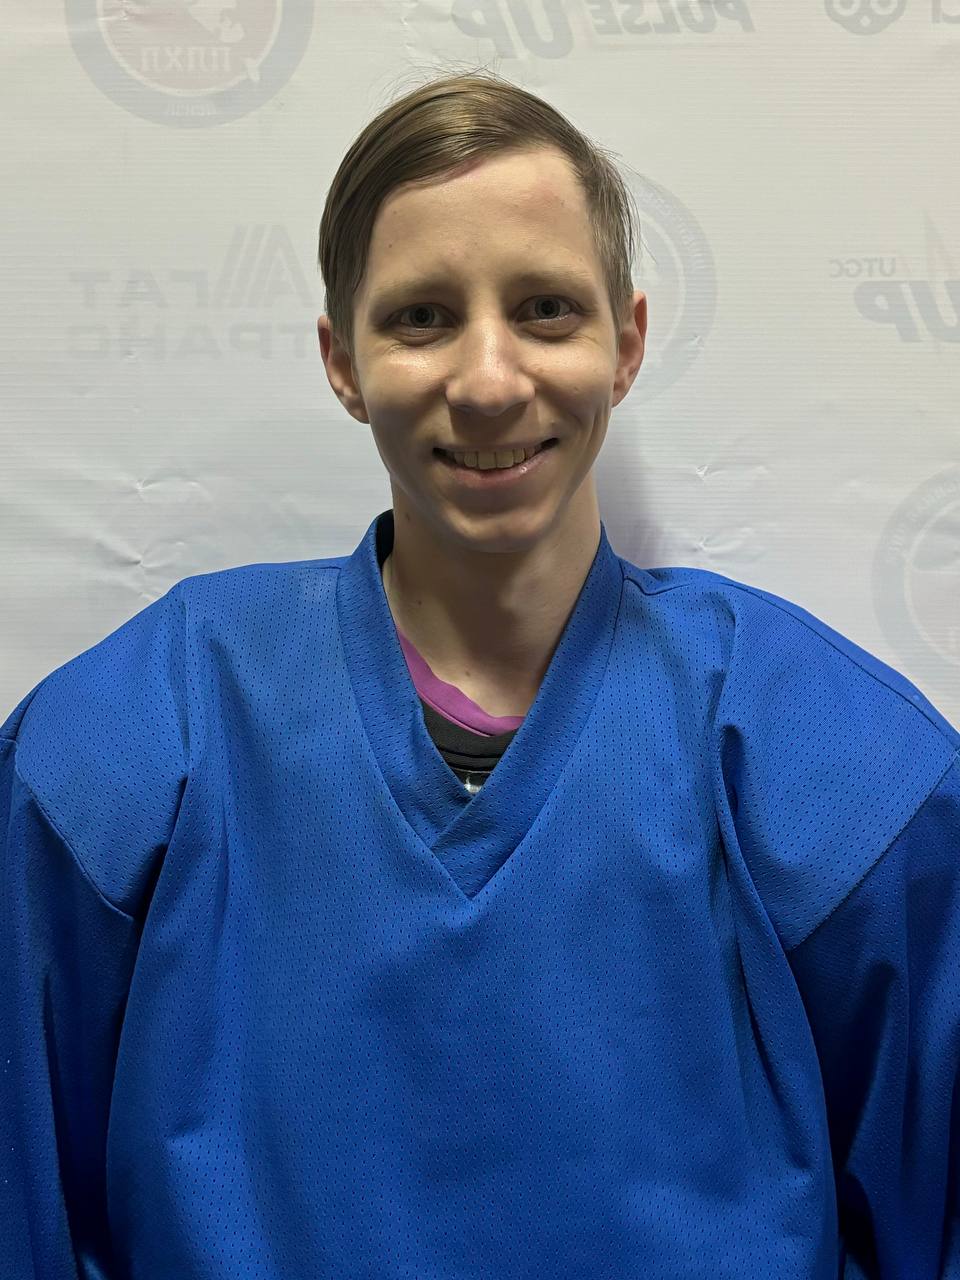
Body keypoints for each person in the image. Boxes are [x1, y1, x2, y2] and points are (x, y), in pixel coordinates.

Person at [2, 66, 958, 1280]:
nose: (492, 379)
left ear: (628, 342)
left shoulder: (835, 767)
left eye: (547, 309)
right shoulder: (134, 744)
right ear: (342, 360)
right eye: (421, 317)